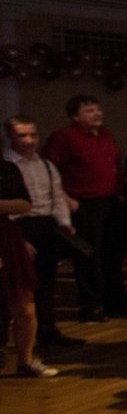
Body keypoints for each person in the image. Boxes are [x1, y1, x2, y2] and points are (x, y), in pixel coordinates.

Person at [44, 94, 127, 319]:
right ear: (75, 116)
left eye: (97, 109)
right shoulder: (64, 137)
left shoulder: (105, 135)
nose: (97, 114)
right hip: (84, 203)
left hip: (110, 201)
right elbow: (50, 171)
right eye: (89, 111)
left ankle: (115, 301)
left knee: (113, 255)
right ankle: (91, 305)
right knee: (88, 256)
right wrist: (66, 199)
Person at [4, 114, 86, 348]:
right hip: (20, 225)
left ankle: (47, 331)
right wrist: (17, 238)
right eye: (22, 135)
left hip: (46, 224)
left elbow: (56, 196)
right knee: (19, 287)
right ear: (10, 137)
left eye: (33, 135)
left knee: (46, 282)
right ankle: (13, 340)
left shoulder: (46, 165)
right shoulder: (8, 166)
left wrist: (64, 222)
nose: (29, 140)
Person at [0, 154, 56, 376]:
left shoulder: (7, 168)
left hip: (6, 237)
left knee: (25, 304)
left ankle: (26, 361)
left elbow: (24, 204)